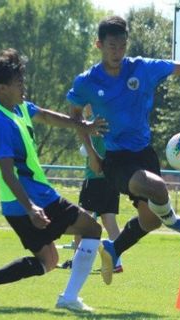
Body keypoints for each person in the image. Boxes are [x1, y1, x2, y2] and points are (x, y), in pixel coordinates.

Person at [66, 16, 180, 285]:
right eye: (112, 46)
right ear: (99, 45)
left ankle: (114, 249)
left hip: (144, 154)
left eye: (122, 45)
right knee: (159, 189)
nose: (118, 52)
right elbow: (74, 115)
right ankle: (176, 222)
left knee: (150, 221)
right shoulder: (87, 81)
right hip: (115, 159)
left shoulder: (142, 68)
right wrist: (92, 152)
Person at [0, 48, 110, 312]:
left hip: (26, 203)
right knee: (92, 229)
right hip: (33, 200)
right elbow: (7, 172)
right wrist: (31, 207)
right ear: (2, 88)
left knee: (49, 261)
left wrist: (83, 126)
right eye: (18, 83)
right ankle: (69, 298)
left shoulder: (18, 108)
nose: (24, 87)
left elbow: (44, 115)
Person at [61, 105, 123, 273]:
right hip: (112, 178)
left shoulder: (93, 123)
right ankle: (117, 262)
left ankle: (77, 262)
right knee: (110, 222)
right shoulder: (110, 121)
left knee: (81, 220)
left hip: (94, 179)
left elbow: (85, 151)